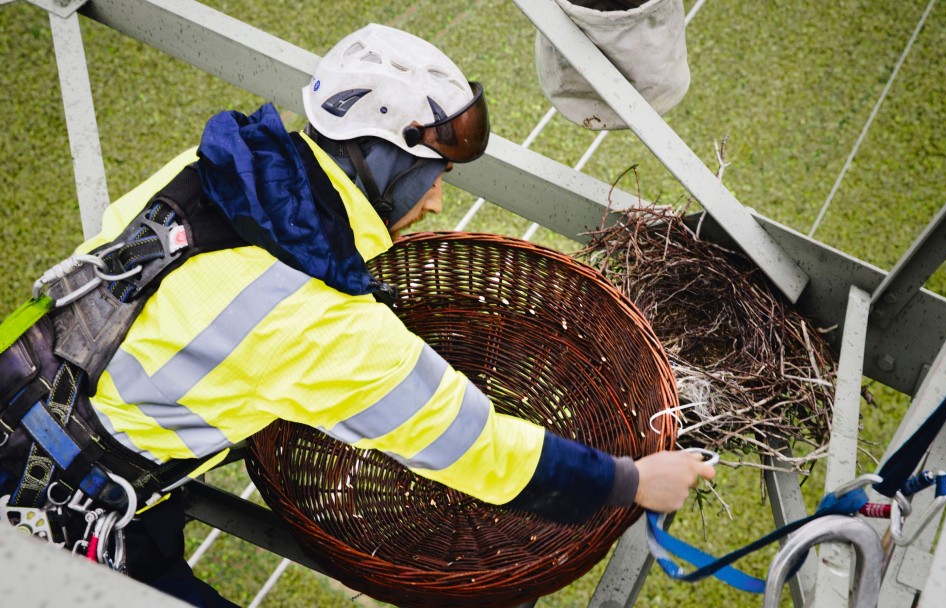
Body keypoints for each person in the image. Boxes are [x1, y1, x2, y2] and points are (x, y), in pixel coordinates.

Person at [0, 23, 714, 607]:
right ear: (383, 163)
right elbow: (480, 449)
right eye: (434, 175)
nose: (436, 200)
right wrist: (633, 482)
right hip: (41, 523)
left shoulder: (213, 169)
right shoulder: (324, 325)